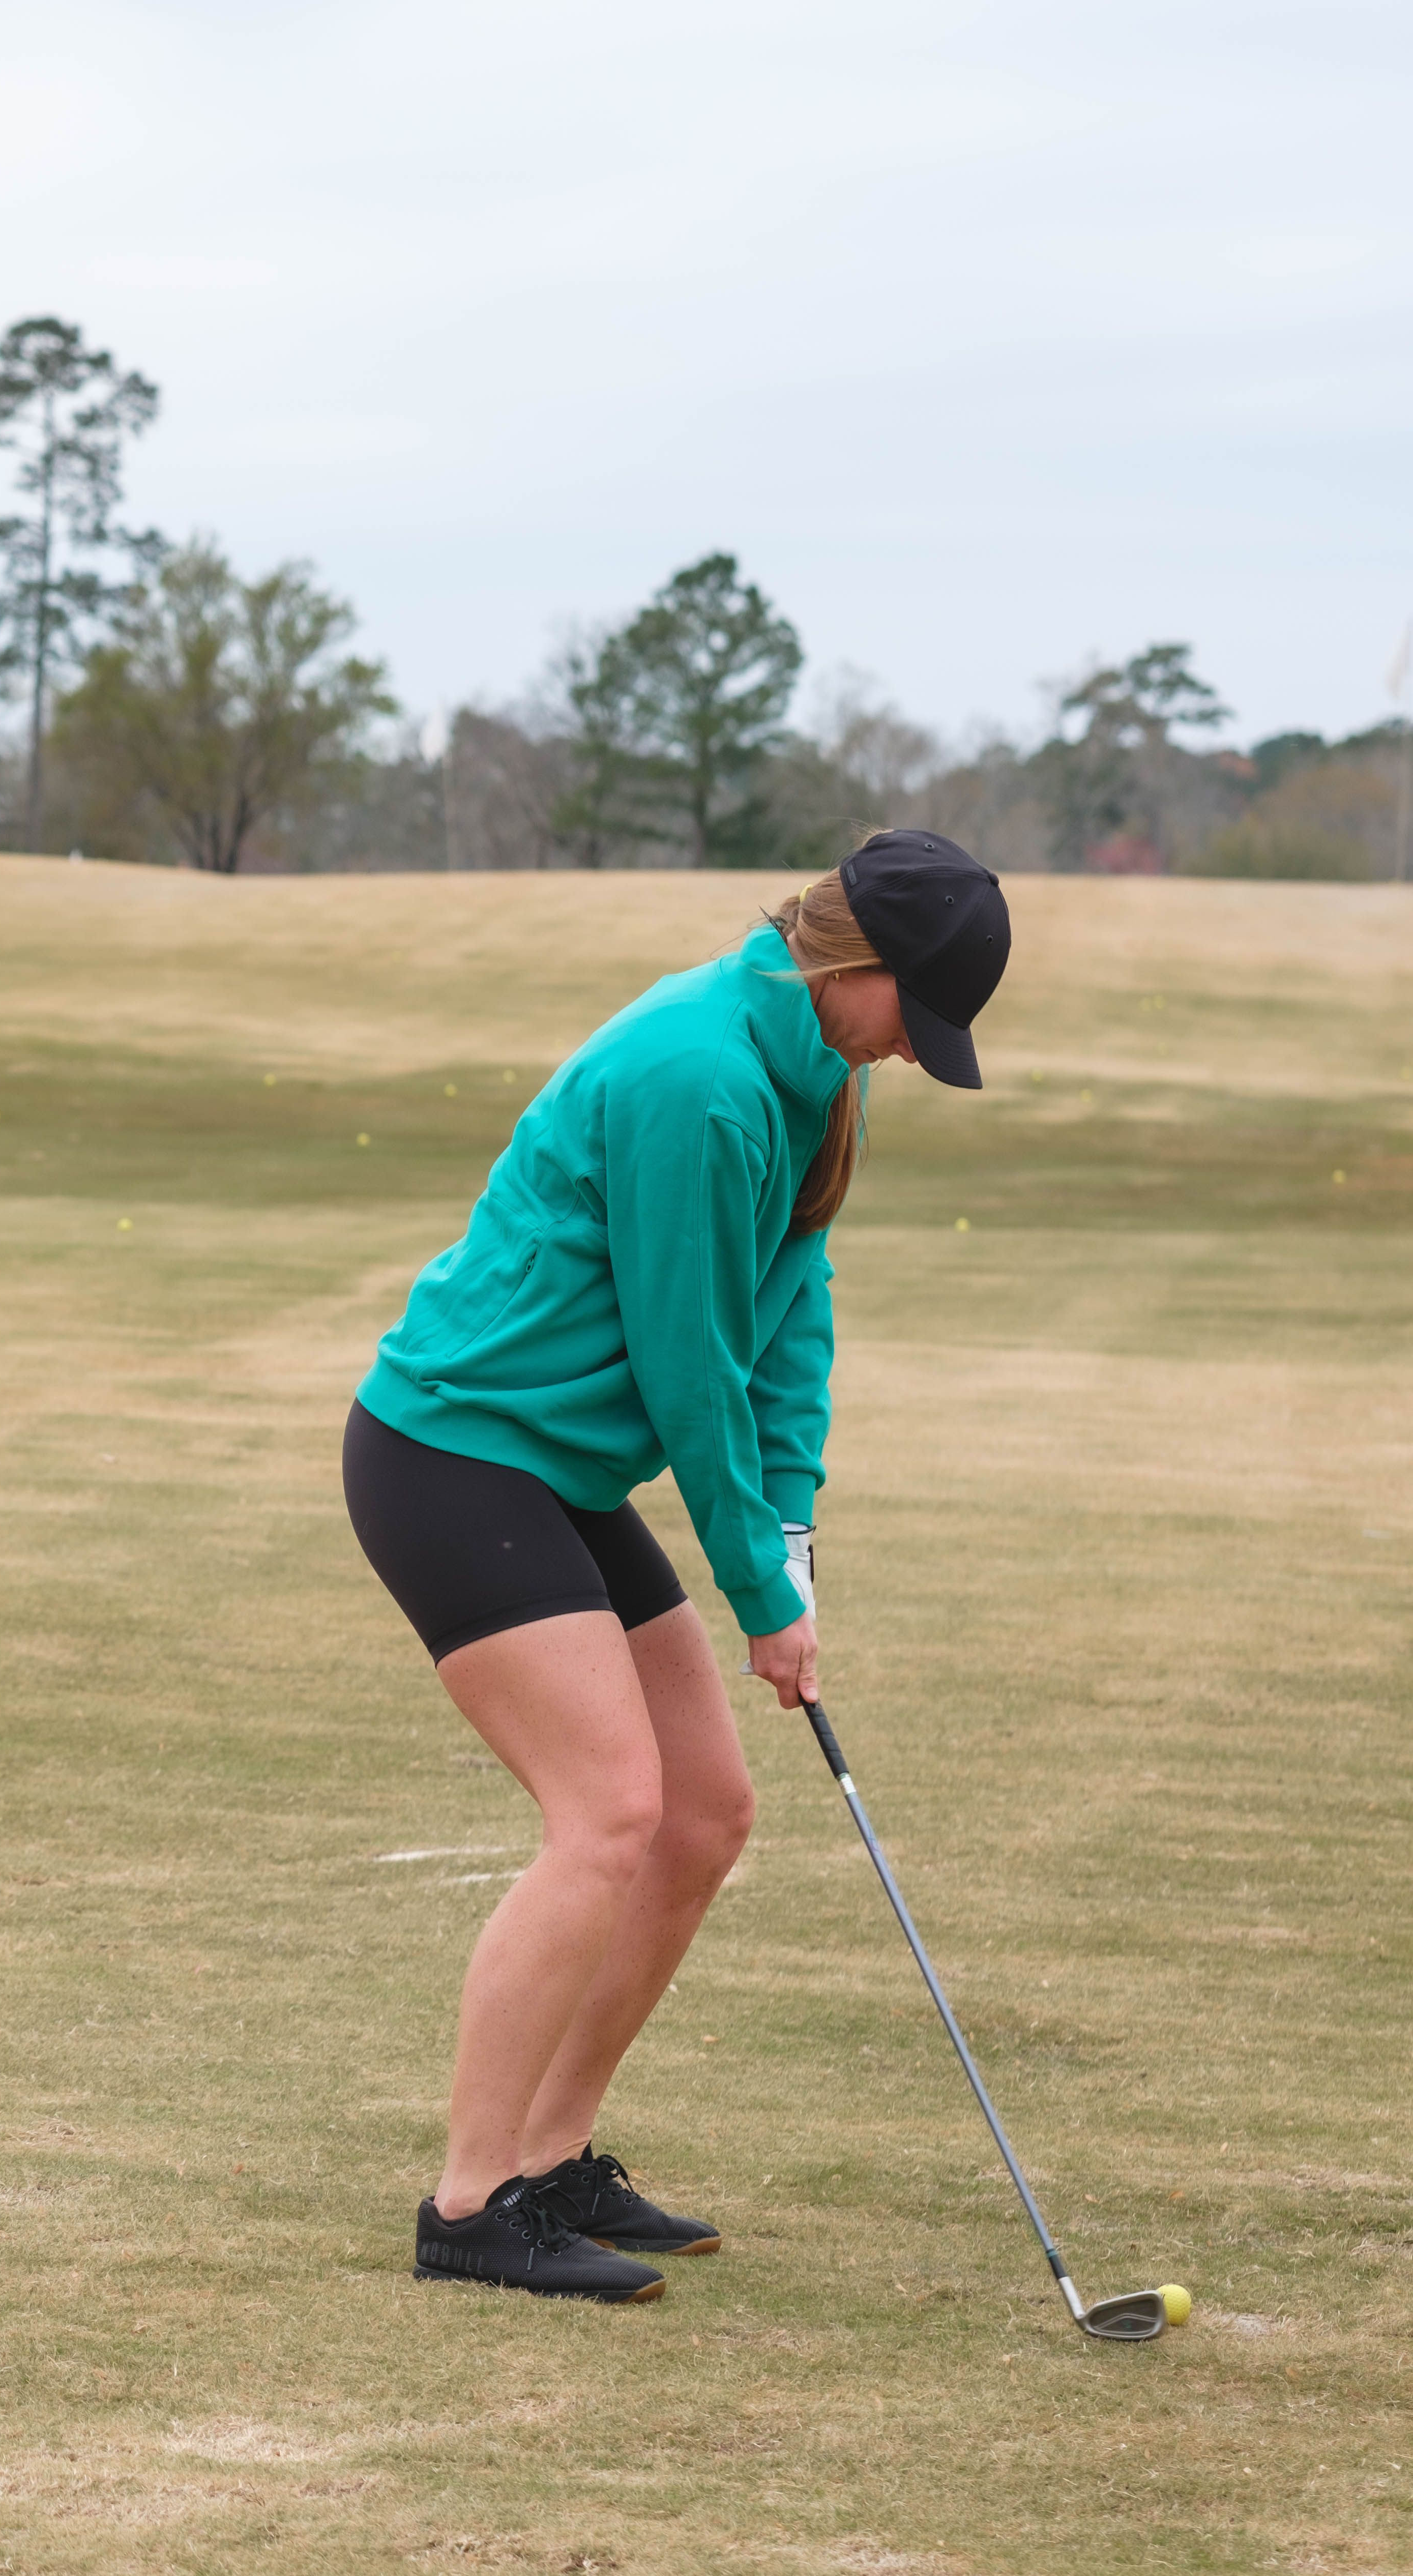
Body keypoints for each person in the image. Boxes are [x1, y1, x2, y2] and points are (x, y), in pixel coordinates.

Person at [344, 833, 1010, 2301]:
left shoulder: (811, 1070)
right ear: (858, 969)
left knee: (701, 1816)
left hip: (557, 1468)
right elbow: (690, 1365)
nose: (911, 1053)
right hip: (456, 1454)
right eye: (918, 1016)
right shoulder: (700, 1078)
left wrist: (789, 1538)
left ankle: (553, 2156)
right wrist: (764, 1609)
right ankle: (471, 2203)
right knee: (612, 1813)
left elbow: (792, 1308)